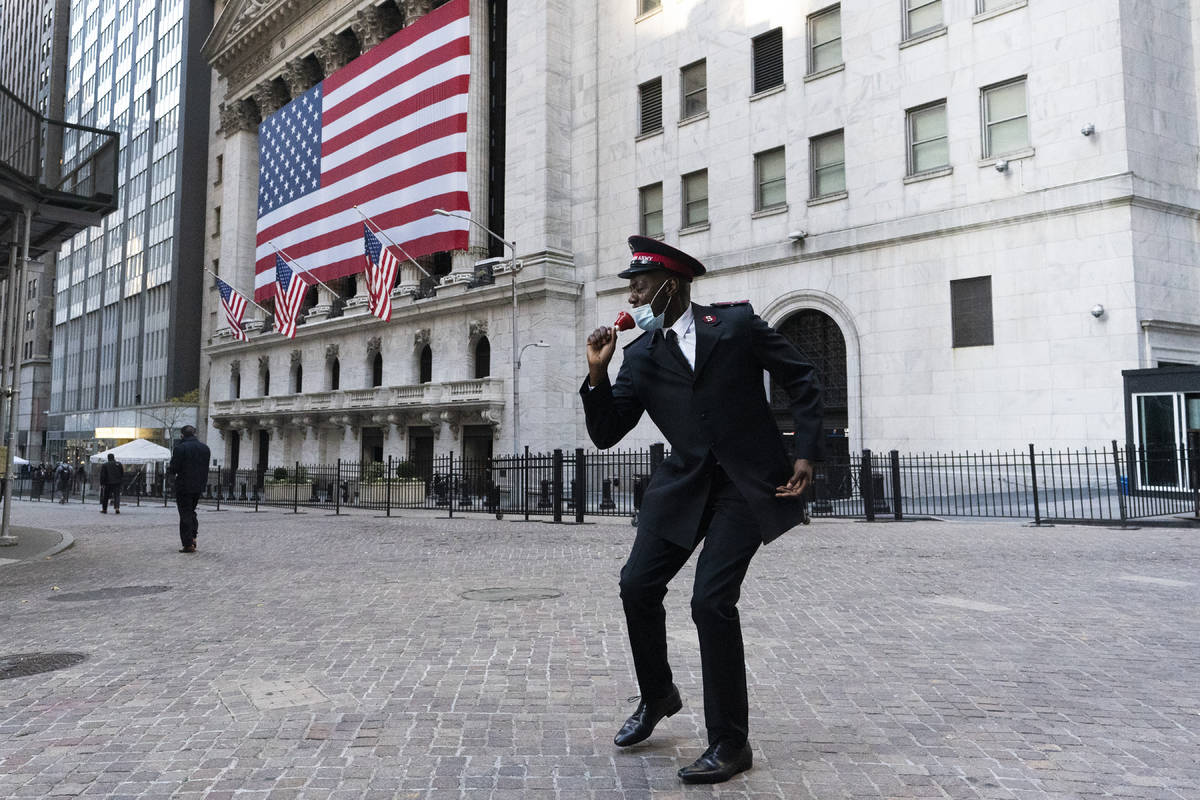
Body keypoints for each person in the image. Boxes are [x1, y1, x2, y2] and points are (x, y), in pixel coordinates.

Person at [581, 236, 822, 784]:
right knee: (637, 585)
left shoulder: (733, 325)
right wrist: (598, 374)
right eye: (630, 287)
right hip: (683, 488)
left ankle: (730, 744)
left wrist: (806, 452)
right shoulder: (639, 356)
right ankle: (659, 693)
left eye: (640, 285)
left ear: (672, 284)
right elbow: (605, 433)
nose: (633, 295)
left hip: (744, 487)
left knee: (711, 602)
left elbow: (802, 377)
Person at [168, 425, 211, 553]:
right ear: (195, 434)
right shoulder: (205, 448)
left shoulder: (180, 448)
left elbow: (174, 468)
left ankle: (188, 543)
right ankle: (193, 536)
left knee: (185, 513)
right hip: (199, 485)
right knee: (191, 511)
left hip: (184, 485)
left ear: (182, 435)